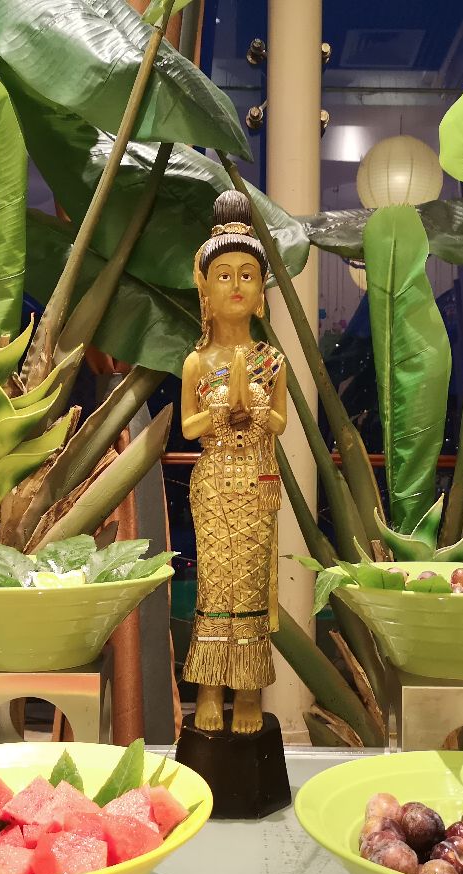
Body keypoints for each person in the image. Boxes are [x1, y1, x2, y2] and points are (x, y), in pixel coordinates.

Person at [180, 190, 288, 735]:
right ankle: (208, 691)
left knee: (249, 588)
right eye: (224, 275)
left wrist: (261, 412)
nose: (237, 285)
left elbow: (281, 423)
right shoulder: (197, 362)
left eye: (248, 275)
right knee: (215, 589)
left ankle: (247, 693)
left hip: (257, 482)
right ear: (205, 288)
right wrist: (220, 412)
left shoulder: (272, 361)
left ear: (261, 290)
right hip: (214, 482)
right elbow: (188, 427)